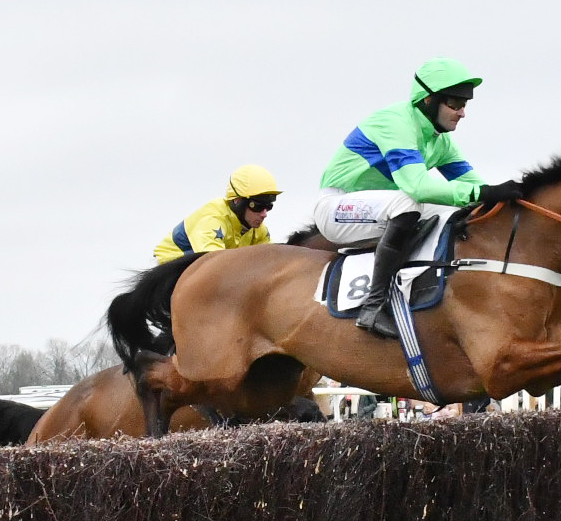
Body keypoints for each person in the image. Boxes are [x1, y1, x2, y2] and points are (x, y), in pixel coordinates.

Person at [311, 58, 486, 339]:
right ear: (428, 100)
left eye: (465, 104)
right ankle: (373, 306)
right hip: (337, 208)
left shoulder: (441, 142)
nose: (462, 113)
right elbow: (417, 187)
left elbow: (474, 188)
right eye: (455, 103)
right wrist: (479, 194)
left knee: (452, 212)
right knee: (409, 202)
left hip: (381, 210)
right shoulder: (396, 122)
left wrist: (510, 195)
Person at [153, 166, 280, 264]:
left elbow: (269, 263)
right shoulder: (212, 219)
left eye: (268, 206)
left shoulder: (259, 230)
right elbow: (215, 265)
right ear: (237, 201)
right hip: (169, 270)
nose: (264, 214)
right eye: (257, 206)